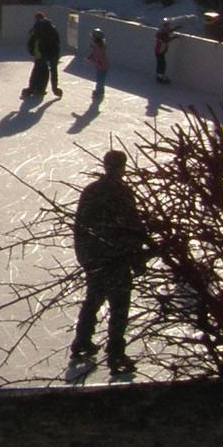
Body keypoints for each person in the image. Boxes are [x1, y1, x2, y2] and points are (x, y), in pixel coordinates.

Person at [71, 149, 147, 374]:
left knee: (93, 299)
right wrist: (137, 258)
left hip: (96, 257)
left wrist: (85, 257)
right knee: (119, 304)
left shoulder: (92, 191)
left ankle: (82, 341)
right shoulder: (123, 193)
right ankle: (115, 352)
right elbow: (133, 227)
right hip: (117, 258)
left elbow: (80, 228)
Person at [24, 11, 62, 98]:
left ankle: (31, 89)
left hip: (41, 53)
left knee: (37, 70)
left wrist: (32, 51)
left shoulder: (37, 27)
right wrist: (55, 89)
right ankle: (44, 89)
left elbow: (32, 40)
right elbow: (57, 41)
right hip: (53, 53)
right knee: (51, 71)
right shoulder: (52, 28)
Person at [86, 30, 109, 104]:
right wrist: (89, 58)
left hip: (102, 67)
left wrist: (98, 62)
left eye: (92, 37)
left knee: (100, 80)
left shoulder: (100, 47)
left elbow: (99, 57)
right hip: (100, 66)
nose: (91, 38)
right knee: (99, 79)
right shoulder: (97, 46)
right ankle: (98, 91)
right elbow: (93, 54)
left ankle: (100, 92)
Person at [153, 20, 175, 86]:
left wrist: (176, 28)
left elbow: (169, 32)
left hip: (160, 51)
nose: (168, 26)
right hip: (159, 51)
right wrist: (174, 37)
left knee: (161, 64)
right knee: (162, 64)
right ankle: (160, 77)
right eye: (167, 25)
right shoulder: (162, 32)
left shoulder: (163, 31)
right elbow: (166, 40)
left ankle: (160, 76)